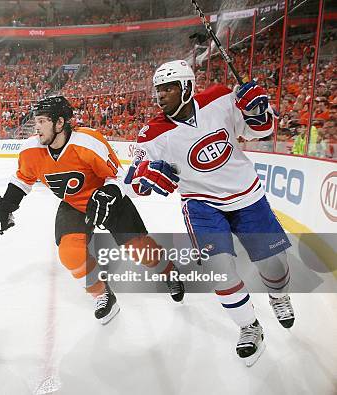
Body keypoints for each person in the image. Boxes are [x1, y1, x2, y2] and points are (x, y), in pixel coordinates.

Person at [125, 60, 294, 366]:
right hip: (201, 204)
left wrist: (257, 112)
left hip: (247, 195)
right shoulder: (152, 133)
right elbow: (136, 178)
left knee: (274, 266)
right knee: (220, 270)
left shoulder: (219, 98)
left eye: (169, 88)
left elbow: (264, 130)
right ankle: (249, 327)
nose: (161, 95)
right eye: (158, 89)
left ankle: (279, 295)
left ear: (187, 87)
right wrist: (145, 177)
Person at [0, 96, 185, 325]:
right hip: (73, 204)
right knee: (70, 253)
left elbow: (120, 177)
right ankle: (102, 294)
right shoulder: (31, 150)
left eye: (42, 121)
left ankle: (168, 270)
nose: (37, 127)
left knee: (139, 251)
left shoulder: (88, 142)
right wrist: (6, 206)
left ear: (59, 123)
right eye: (37, 121)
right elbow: (22, 180)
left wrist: (108, 193)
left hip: (108, 199)